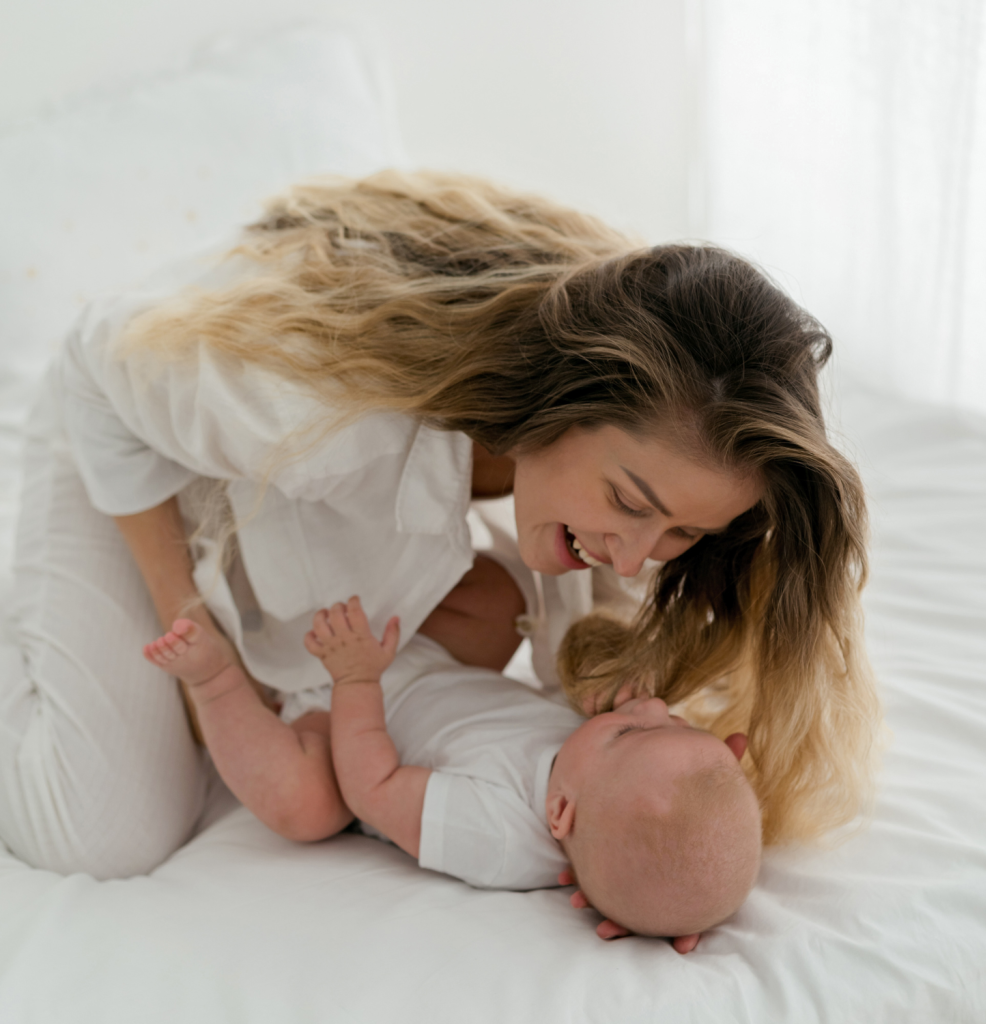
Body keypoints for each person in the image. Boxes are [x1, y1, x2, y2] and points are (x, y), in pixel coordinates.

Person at [0, 170, 879, 880]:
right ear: (563, 397)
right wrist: (190, 623)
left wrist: (649, 872)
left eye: (685, 534)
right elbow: (99, 361)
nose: (645, 558)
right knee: (102, 832)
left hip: (281, 487)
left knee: (498, 606)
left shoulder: (652, 367)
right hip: (121, 427)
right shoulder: (328, 426)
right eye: (631, 506)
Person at [141, 597, 762, 953]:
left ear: (560, 814)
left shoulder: (493, 836)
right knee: (502, 599)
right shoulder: (603, 782)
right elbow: (676, 819)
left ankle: (217, 683)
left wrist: (355, 682)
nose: (650, 709)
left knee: (304, 806)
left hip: (338, 725)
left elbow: (373, 789)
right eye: (677, 720)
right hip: (422, 660)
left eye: (633, 729)